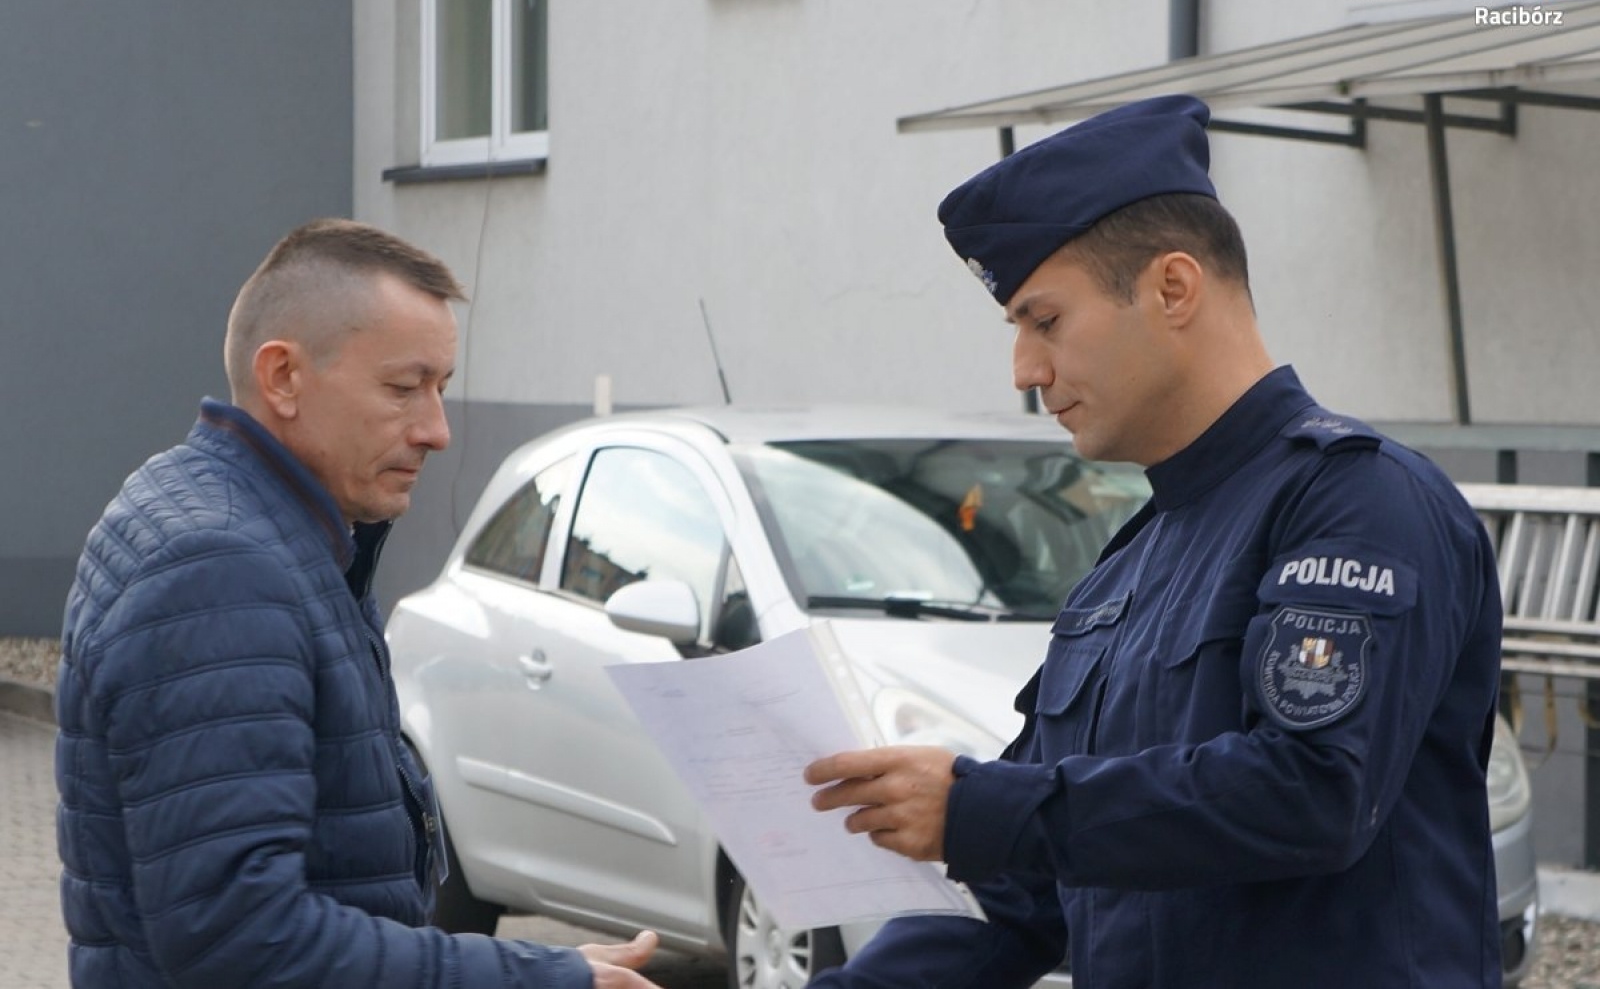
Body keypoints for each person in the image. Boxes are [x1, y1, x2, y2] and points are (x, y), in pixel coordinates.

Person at [804, 96, 1505, 987]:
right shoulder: (1127, 566)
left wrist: (983, 807)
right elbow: (1022, 890)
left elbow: (1313, 791)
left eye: (1044, 320)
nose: (1025, 369)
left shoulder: (1358, 502)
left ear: (1173, 288)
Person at [55, 219, 664, 988]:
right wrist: (532, 977)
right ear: (283, 377)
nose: (437, 430)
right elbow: (239, 937)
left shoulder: (241, 518)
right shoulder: (223, 567)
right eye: (403, 388)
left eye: (442, 387)